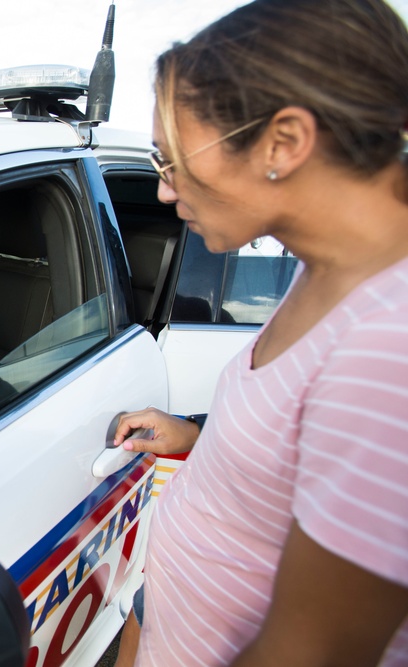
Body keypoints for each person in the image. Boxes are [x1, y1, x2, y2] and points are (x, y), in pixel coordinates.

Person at [112, 0, 408, 665]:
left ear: (283, 143)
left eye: (174, 161)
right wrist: (197, 435)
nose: (164, 190)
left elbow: (313, 652)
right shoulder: (333, 268)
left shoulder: (390, 347)